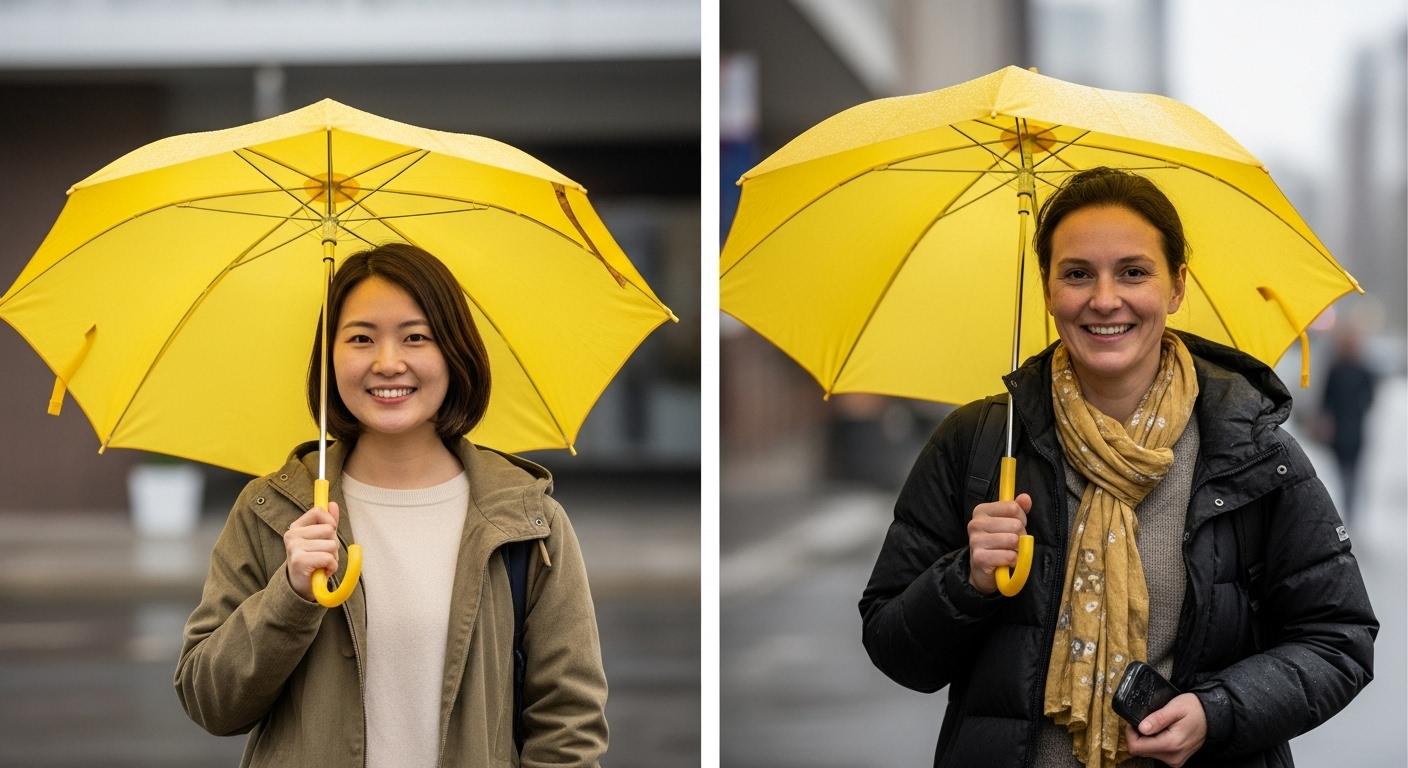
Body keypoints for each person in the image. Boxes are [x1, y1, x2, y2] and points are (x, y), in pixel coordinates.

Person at [859, 168, 1376, 768]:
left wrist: (1217, 712)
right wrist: (966, 582)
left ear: (1176, 286)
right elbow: (896, 649)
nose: (1104, 300)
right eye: (1077, 274)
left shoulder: (1252, 454)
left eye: (1133, 272)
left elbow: (1338, 640)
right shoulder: (978, 444)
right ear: (1048, 289)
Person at [176, 243, 608, 767]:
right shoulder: (271, 512)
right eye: (361, 338)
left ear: (454, 352)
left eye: (415, 337)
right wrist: (290, 595)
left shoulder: (527, 522)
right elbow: (210, 702)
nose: (387, 363)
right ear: (329, 357)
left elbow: (569, 725)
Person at [1318, 324, 1377, 522]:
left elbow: (1369, 398)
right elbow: (1326, 400)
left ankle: (1350, 509)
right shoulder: (1336, 369)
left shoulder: (1363, 370)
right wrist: (1325, 422)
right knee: (1342, 471)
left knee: (1353, 472)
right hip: (1340, 428)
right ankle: (1347, 506)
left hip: (1355, 428)